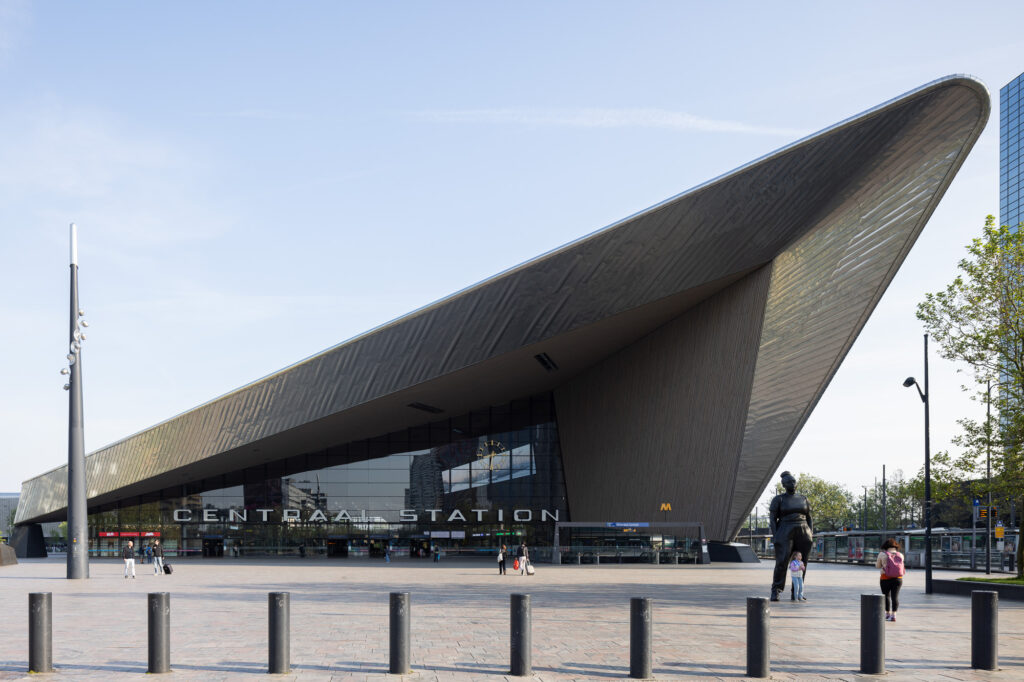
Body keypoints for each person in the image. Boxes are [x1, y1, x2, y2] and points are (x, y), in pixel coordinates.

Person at [768, 471, 813, 601]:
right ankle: (776, 590)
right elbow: (772, 519)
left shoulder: (803, 498)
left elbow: (809, 517)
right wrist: (776, 535)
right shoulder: (779, 499)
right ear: (783, 485)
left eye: (794, 481)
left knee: (801, 562)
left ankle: (797, 591)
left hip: (803, 531)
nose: (792, 484)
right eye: (789, 482)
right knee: (782, 562)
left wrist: (810, 533)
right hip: (785, 530)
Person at [877, 537, 905, 622]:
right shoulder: (900, 555)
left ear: (885, 546)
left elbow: (878, 566)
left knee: (886, 597)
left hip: (885, 578)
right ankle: (894, 615)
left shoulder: (882, 554)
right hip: (898, 578)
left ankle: (887, 614)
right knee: (895, 597)